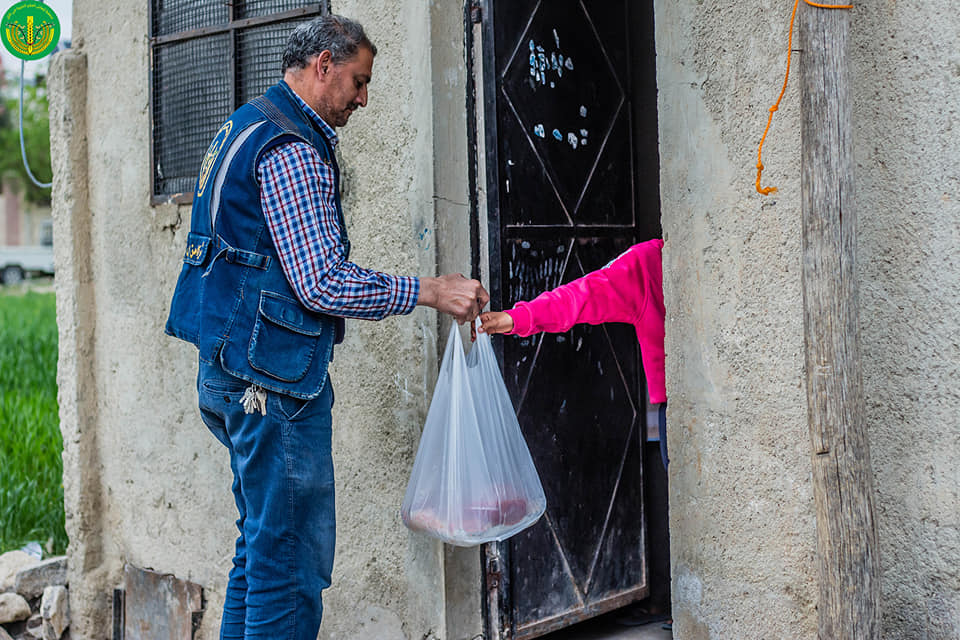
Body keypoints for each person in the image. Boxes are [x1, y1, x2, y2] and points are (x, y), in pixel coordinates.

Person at [164, 15, 488, 640]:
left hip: (230, 373)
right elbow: (322, 282)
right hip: (273, 384)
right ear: (323, 66)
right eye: (359, 82)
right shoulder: (291, 147)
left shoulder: (245, 122)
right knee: (288, 567)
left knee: (261, 552)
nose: (363, 99)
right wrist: (429, 290)